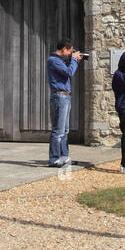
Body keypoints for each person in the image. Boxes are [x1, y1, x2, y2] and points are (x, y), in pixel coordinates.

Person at [46, 40, 81, 168]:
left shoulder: (60, 61)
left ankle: (64, 157)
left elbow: (68, 71)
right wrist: (74, 60)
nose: (71, 54)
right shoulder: (53, 60)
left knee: (65, 130)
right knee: (58, 130)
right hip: (59, 97)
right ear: (64, 49)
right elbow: (69, 72)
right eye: (70, 51)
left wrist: (75, 60)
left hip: (65, 97)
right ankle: (54, 159)